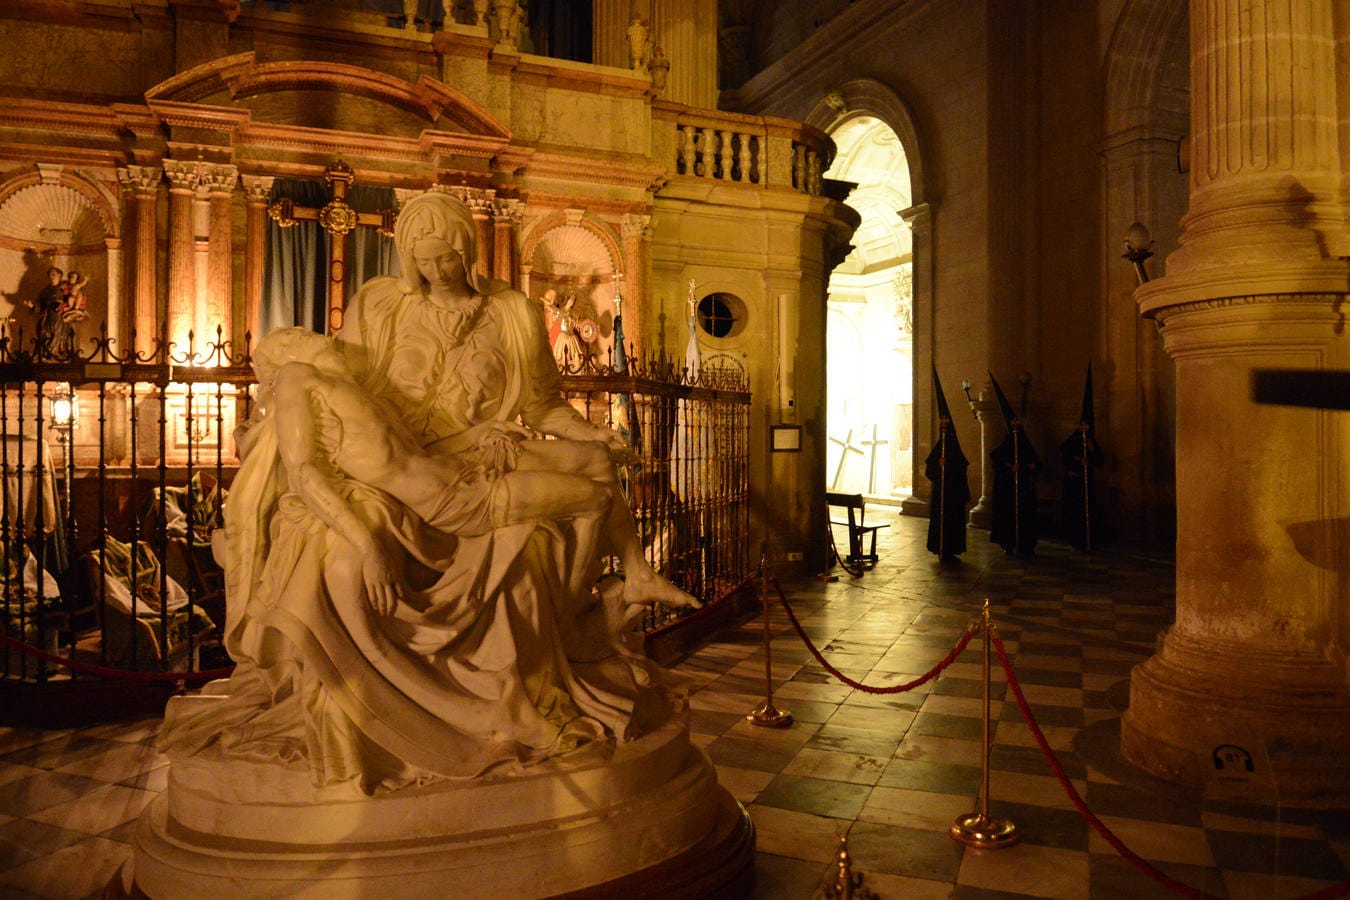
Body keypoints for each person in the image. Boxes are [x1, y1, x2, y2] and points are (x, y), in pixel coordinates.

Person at [988, 371, 1041, 555]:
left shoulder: (1025, 445)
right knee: (1009, 518)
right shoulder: (1005, 446)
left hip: (1024, 491)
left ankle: (1026, 544)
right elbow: (997, 462)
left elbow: (1036, 464)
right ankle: (1008, 543)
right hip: (1008, 491)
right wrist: (1010, 468)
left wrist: (1026, 468)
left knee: (1025, 518)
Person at [924, 366, 970, 562]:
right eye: (941, 424)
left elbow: (962, 466)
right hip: (941, 494)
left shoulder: (954, 448)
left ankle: (951, 550)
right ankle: (940, 550)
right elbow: (929, 469)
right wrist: (938, 465)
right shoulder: (938, 448)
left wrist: (948, 466)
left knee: (952, 522)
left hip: (953, 494)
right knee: (941, 522)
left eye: (946, 424)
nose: (943, 427)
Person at [1060, 362, 1103, 550]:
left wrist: (1092, 452)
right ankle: (1075, 538)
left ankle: (1089, 538)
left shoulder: (1092, 442)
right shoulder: (1072, 441)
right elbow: (1064, 454)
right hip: (1074, 482)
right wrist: (1076, 461)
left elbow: (1100, 461)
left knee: (1089, 512)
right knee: (1074, 513)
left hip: (1087, 482)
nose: (1085, 429)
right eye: (1083, 426)